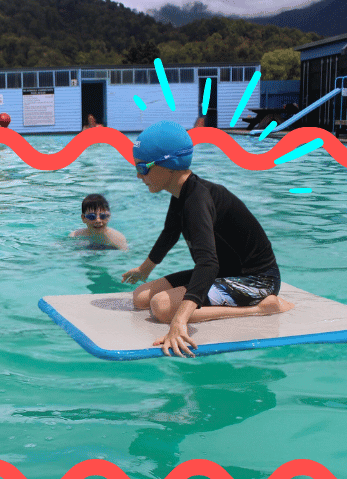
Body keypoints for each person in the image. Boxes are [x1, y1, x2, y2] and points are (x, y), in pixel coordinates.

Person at [121, 120, 293, 357]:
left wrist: (179, 321)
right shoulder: (181, 193)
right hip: (224, 271)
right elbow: (170, 233)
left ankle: (262, 309)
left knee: (161, 308)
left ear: (168, 165)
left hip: (257, 280)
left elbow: (208, 263)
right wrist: (144, 269)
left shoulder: (197, 201)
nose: (139, 176)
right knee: (141, 297)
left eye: (142, 168)